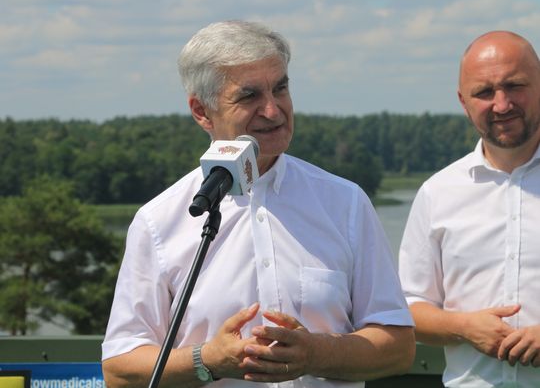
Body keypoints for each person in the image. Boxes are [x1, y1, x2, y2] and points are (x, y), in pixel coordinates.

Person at [101, 20, 415, 388]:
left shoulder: (345, 202)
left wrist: (317, 353)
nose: (273, 110)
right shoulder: (159, 220)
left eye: (280, 88)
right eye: (249, 96)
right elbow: (120, 370)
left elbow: (398, 347)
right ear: (202, 111)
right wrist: (209, 361)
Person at [399, 30, 540, 387]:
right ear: (464, 102)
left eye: (515, 85)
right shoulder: (438, 193)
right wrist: (463, 327)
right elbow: (408, 308)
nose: (502, 104)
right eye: (484, 92)